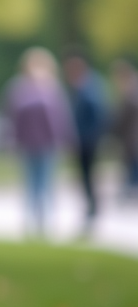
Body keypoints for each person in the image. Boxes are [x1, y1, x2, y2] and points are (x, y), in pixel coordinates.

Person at [2, 47, 75, 237]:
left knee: (46, 183)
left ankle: (47, 223)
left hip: (48, 145)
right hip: (27, 144)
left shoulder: (52, 88)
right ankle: (31, 223)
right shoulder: (19, 88)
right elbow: (10, 116)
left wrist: (65, 140)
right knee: (31, 184)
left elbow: (61, 119)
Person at [62, 54, 109, 231]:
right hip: (84, 139)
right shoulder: (85, 86)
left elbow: (97, 114)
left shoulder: (88, 87)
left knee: (88, 175)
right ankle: (90, 207)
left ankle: (92, 209)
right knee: (85, 176)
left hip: (88, 140)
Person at [112, 59, 138, 201]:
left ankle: (131, 191)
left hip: (132, 137)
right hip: (130, 137)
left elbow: (122, 116)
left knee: (133, 166)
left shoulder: (131, 90)